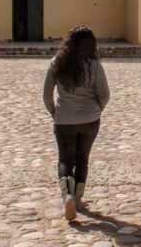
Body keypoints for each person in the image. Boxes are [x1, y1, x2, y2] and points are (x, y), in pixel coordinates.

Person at [43, 26, 110, 221]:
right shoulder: (94, 65)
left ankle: (68, 196)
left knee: (65, 160)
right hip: (90, 119)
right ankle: (78, 199)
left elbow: (47, 95)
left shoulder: (56, 63)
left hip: (64, 119)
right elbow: (105, 94)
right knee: (82, 158)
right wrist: (97, 109)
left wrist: (55, 112)